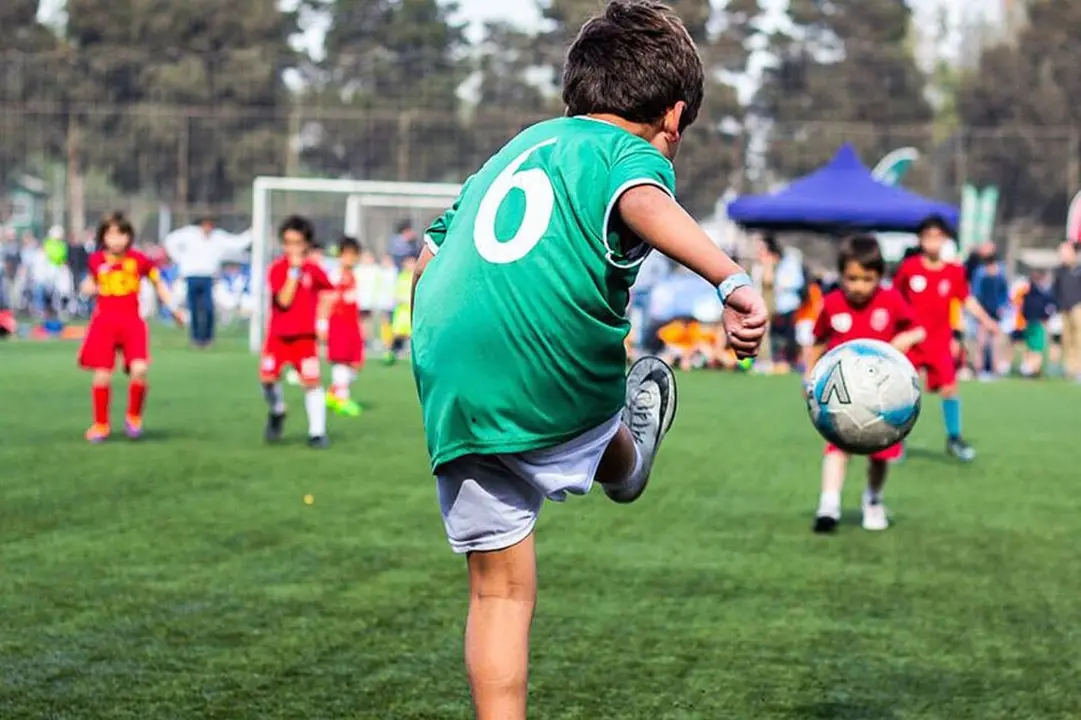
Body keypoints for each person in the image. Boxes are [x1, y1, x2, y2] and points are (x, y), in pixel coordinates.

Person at [409, 2, 768, 717]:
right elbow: (641, 200)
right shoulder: (626, 153)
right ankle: (628, 458)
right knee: (595, 392)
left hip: (450, 379)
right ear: (672, 117)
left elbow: (428, 258)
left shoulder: (518, 146)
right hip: (554, 371)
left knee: (499, 590)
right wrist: (728, 279)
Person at [806, 236, 925, 533]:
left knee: (880, 455)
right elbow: (817, 342)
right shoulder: (832, 304)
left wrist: (899, 343)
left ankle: (873, 500)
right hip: (842, 395)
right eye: (852, 278)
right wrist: (809, 375)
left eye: (867, 279)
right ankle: (829, 504)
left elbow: (918, 330)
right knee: (836, 448)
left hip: (881, 397)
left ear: (880, 277)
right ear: (841, 274)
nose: (858, 286)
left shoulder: (891, 300)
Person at [893, 216, 999, 461]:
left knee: (950, 389)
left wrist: (986, 320)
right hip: (912, 341)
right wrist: (898, 333)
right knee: (904, 390)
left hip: (939, 342)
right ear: (921, 240)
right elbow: (894, 300)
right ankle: (896, 440)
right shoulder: (910, 268)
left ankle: (954, 439)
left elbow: (966, 299)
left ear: (944, 240)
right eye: (928, 237)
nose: (933, 242)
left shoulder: (954, 271)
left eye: (937, 237)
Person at [78, 212, 183, 442]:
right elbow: (89, 283)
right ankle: (101, 425)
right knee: (102, 375)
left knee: (140, 369)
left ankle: (134, 418)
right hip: (104, 323)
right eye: (111, 234)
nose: (117, 240)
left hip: (131, 322)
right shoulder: (97, 260)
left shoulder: (139, 260)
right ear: (103, 237)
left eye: (121, 234)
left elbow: (158, 283)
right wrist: (88, 287)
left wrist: (174, 309)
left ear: (129, 236)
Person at [260, 216, 334, 448]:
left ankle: (317, 433)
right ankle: (278, 410)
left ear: (306, 244)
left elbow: (329, 293)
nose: (292, 248)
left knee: (312, 383)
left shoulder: (314, 269)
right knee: (268, 380)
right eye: (287, 242)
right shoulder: (278, 269)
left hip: (304, 338)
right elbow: (283, 299)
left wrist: (322, 322)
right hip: (278, 336)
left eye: (297, 242)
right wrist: (294, 272)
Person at [163, 216, 251, 348]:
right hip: (191, 276)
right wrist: (179, 259)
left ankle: (208, 338)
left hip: (209, 277)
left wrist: (253, 232)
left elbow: (237, 243)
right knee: (194, 308)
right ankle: (196, 338)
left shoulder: (218, 237)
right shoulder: (189, 234)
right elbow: (169, 241)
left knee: (208, 308)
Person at [325, 236, 365, 417]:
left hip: (351, 324)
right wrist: (322, 324)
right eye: (347, 254)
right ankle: (342, 399)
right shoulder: (334, 275)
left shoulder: (355, 275)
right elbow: (326, 300)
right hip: (338, 323)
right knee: (340, 361)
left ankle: (334, 393)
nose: (350, 258)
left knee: (355, 364)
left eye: (353, 255)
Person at [1053, 240, 1081, 382]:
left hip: (1078, 307)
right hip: (1064, 307)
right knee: (1067, 339)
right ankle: (1070, 368)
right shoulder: (1059, 271)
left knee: (1079, 339)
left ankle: (1079, 368)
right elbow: (1056, 290)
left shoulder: (1079, 269)